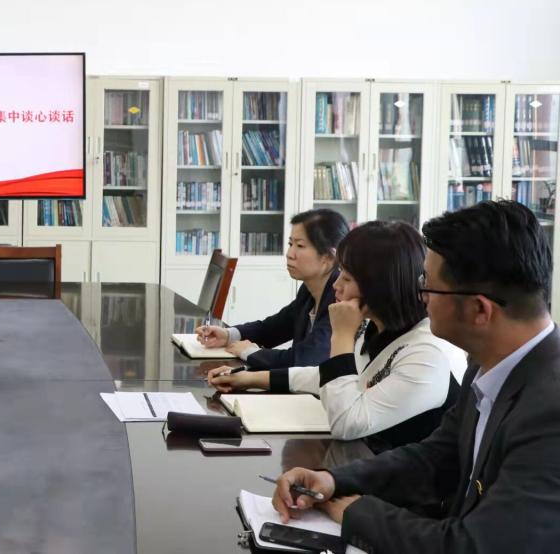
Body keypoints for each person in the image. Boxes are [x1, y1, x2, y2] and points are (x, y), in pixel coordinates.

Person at [270, 201, 560, 553]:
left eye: (429, 286)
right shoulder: (487, 365)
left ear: (479, 309)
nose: (420, 296)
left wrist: (358, 513)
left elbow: (475, 545)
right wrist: (332, 480)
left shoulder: (549, 411)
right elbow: (436, 456)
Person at [209, 221, 466, 451]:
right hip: (370, 462)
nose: (336, 285)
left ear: (381, 286)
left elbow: (346, 423)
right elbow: (323, 376)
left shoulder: (427, 354)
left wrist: (342, 335)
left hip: (406, 484)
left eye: (347, 278)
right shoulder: (382, 328)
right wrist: (250, 378)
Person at [195, 209, 349, 378]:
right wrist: (228, 335)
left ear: (329, 256)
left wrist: (251, 352)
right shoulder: (309, 290)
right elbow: (273, 328)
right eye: (290, 244)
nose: (289, 254)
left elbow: (305, 360)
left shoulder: (340, 300)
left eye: (300, 246)